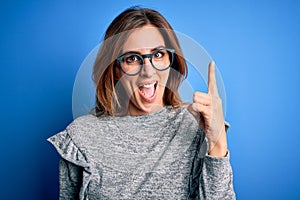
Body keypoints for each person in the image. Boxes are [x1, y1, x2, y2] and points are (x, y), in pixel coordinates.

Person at [48, 6, 236, 200]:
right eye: (132, 58)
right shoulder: (81, 137)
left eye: (158, 54)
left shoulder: (196, 125)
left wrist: (218, 141)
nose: (148, 71)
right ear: (114, 69)